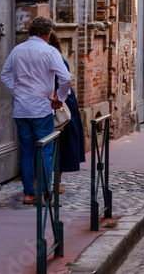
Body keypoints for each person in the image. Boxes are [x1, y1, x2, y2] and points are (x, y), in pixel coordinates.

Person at [0, 16, 71, 205]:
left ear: (30, 32)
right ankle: (44, 193)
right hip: (41, 108)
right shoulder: (49, 51)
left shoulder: (17, 50)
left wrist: (17, 91)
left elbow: (4, 74)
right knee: (46, 150)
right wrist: (60, 99)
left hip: (21, 109)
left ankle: (29, 194)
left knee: (27, 151)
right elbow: (66, 78)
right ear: (48, 34)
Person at [49, 32, 85, 186]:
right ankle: (49, 182)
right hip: (54, 103)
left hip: (62, 105)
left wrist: (60, 97)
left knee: (62, 143)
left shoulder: (60, 61)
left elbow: (66, 82)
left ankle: (57, 181)